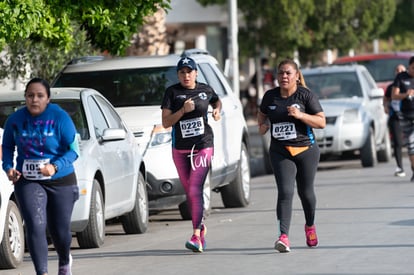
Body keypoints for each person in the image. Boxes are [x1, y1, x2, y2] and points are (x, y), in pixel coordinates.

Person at [1, 78, 79, 275]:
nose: (34, 100)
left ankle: (64, 261)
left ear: (48, 99)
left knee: (60, 231)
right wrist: (9, 167)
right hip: (28, 180)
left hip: (61, 180)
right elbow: (7, 147)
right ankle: (42, 272)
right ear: (25, 98)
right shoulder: (15, 120)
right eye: (30, 95)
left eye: (39, 96)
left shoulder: (60, 118)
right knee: (36, 226)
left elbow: (74, 150)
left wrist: (55, 166)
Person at [257, 59, 326, 253]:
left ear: (296, 75)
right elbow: (262, 115)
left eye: (288, 73)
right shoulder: (270, 96)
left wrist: (301, 116)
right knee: (285, 192)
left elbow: (321, 122)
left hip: (306, 150)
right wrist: (262, 126)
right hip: (280, 151)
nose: (284, 77)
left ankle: (310, 225)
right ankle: (283, 236)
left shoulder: (305, 95)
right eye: (281, 73)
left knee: (306, 193)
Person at [161, 57, 222, 253]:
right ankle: (201, 228)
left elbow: (216, 100)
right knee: (190, 191)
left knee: (196, 187)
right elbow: (166, 122)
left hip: (203, 145)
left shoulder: (205, 90)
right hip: (180, 149)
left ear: (196, 73)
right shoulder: (172, 92)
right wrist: (182, 111)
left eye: (190, 72)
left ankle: (195, 234)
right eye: (182, 72)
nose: (186, 76)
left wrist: (217, 111)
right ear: (178, 75)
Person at [391, 56, 414, 182]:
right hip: (406, 115)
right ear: (409, 66)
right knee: (411, 144)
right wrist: (406, 94)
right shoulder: (401, 77)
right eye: (413, 68)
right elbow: (394, 95)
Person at [383, 64, 406, 177]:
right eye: (397, 70)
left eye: (402, 70)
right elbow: (386, 99)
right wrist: (386, 107)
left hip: (409, 116)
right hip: (395, 117)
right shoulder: (391, 87)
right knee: (398, 143)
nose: (399, 72)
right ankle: (400, 167)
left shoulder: (410, 84)